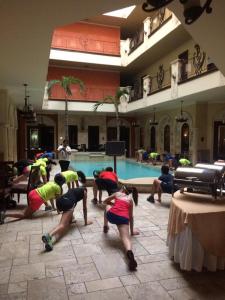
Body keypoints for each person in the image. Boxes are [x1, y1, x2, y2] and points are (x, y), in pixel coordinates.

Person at [42, 187, 92, 251]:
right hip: (67, 203)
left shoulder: (73, 190)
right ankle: (49, 236)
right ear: (85, 190)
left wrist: (70, 220)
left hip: (60, 201)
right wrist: (86, 222)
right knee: (62, 225)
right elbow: (84, 208)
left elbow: (73, 206)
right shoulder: (84, 192)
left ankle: (49, 242)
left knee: (71, 209)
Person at [0, 175, 65, 224]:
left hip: (33, 192)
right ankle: (5, 215)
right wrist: (59, 211)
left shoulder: (51, 182)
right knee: (24, 215)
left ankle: (28, 209)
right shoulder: (58, 188)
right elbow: (57, 200)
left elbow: (48, 195)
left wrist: (49, 206)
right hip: (37, 199)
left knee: (29, 209)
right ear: (61, 183)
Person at [103, 185, 139, 271]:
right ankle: (130, 255)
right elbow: (131, 217)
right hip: (123, 219)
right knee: (126, 238)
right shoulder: (130, 200)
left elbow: (105, 201)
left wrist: (113, 204)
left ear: (123, 189)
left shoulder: (117, 194)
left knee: (106, 207)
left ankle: (105, 225)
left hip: (112, 215)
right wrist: (132, 231)